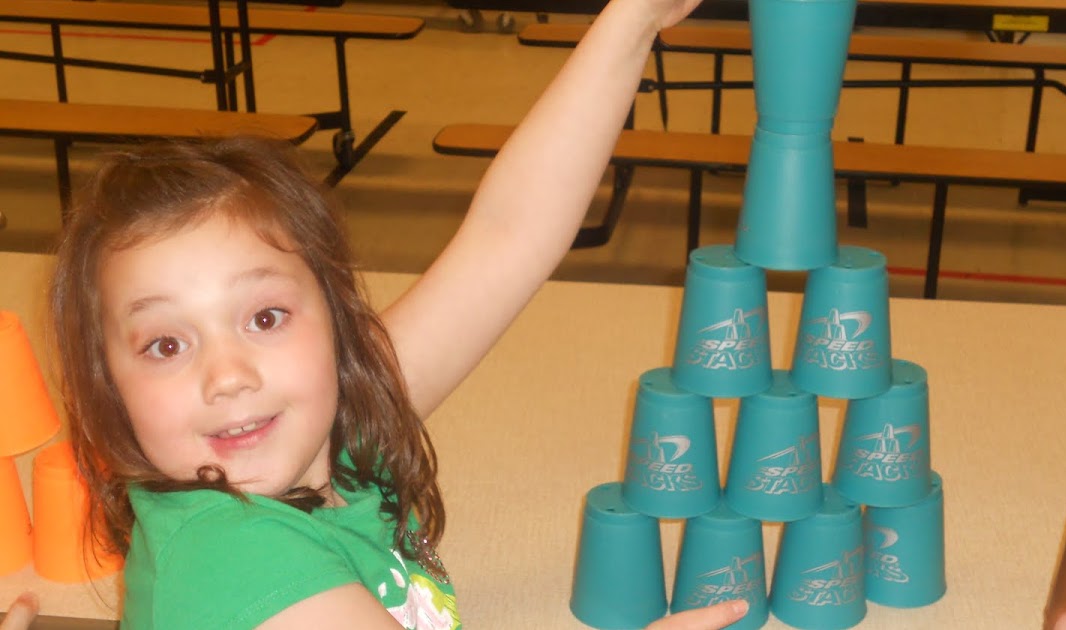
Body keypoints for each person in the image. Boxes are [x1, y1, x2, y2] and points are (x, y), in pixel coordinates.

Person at [0, 0, 756, 627]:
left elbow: (510, 236)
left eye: (264, 318)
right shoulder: (234, 557)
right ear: (107, 386)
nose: (228, 376)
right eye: (166, 344)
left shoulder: (328, 432)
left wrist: (633, 20)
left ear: (337, 323)